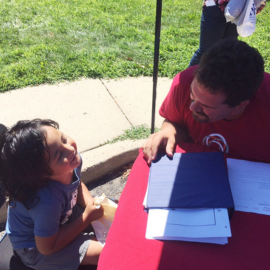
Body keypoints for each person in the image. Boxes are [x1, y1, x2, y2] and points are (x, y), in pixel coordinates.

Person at [143, 38, 270, 164]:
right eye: (193, 95)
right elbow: (175, 122)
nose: (193, 107)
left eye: (205, 105)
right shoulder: (183, 83)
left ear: (239, 106)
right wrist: (169, 131)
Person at [0, 119, 104, 269]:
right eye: (58, 154)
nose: (69, 149)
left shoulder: (71, 161)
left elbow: (77, 185)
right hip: (36, 248)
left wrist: (91, 206)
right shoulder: (45, 201)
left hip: (59, 218)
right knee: (105, 252)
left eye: (64, 139)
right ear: (40, 174)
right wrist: (87, 217)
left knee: (113, 222)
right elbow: (47, 247)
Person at [189, 0, 266, 67]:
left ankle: (217, 81)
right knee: (206, 51)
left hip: (239, 7)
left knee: (226, 50)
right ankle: (187, 81)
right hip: (216, 6)